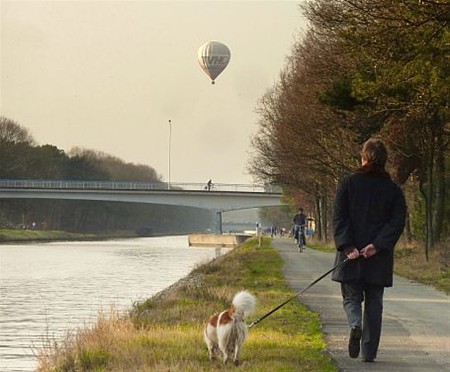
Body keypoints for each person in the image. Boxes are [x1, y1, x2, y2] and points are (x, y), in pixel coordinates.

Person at [331, 138, 406, 363]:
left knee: (351, 297)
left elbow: (339, 217)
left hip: (351, 256)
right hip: (378, 258)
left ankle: (355, 325)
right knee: (374, 303)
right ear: (384, 161)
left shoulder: (347, 183)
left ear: (364, 158)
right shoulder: (393, 190)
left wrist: (348, 246)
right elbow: (397, 222)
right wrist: (378, 245)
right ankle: (369, 353)